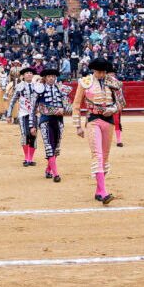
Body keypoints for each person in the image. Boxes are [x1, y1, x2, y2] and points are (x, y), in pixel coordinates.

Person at [71, 58, 125, 205]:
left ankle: (98, 191)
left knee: (105, 157)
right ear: (93, 71)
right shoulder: (85, 82)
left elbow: (121, 103)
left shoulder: (112, 82)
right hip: (93, 120)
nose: (101, 74)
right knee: (98, 155)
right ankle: (104, 192)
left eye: (104, 72)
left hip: (109, 121)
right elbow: (76, 104)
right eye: (99, 72)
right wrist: (78, 126)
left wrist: (113, 109)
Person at [32, 67, 68, 182]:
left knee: (56, 147)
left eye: (53, 76)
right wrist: (32, 125)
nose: (51, 78)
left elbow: (68, 105)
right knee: (49, 147)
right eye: (49, 76)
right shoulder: (39, 89)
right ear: (45, 78)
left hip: (59, 121)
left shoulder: (61, 89)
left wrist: (64, 109)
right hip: (45, 121)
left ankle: (48, 169)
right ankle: (56, 174)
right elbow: (32, 108)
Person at [6, 67, 39, 167]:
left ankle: (30, 158)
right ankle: (26, 157)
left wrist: (40, 109)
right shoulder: (19, 86)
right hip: (23, 113)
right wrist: (9, 114)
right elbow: (13, 100)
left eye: (30, 73)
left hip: (34, 114)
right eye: (27, 73)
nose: (29, 74)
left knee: (33, 135)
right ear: (23, 76)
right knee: (25, 134)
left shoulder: (37, 86)